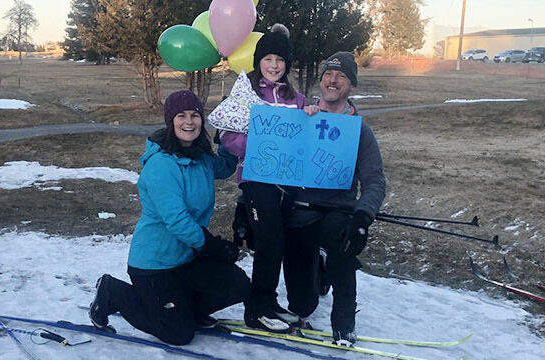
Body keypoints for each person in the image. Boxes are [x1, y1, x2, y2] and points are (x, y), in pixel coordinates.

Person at [88, 90, 251, 345]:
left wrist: (226, 133)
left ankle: (190, 311)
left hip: (187, 258)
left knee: (238, 284)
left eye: (195, 115)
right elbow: (177, 221)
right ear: (170, 121)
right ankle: (112, 292)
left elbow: (226, 166)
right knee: (179, 334)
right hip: (156, 266)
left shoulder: (201, 157)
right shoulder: (161, 165)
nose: (189, 122)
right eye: (181, 116)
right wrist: (213, 246)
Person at [283, 52, 386, 346]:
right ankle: (316, 271)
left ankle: (344, 324)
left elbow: (375, 179)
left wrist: (363, 218)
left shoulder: (360, 131)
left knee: (343, 249)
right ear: (321, 80)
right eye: (329, 74)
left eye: (341, 76)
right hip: (301, 209)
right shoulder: (302, 119)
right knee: (302, 303)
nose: (333, 80)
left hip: (339, 210)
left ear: (351, 86)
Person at [219, 23, 307, 332]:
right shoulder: (247, 94)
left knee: (278, 243)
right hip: (256, 180)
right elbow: (227, 137)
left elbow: (304, 139)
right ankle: (256, 310)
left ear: (287, 65)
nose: (274, 66)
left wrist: (310, 119)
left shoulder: (296, 99)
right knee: (269, 242)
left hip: (287, 182)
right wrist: (258, 145)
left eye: (280, 61)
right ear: (259, 62)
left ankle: (269, 302)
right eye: (268, 59)